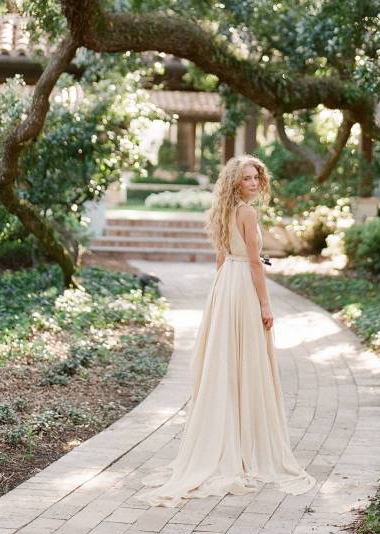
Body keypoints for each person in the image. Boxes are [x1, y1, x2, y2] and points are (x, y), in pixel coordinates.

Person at [134, 155, 316, 508]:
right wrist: (265, 304)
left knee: (229, 362)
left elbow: (221, 258)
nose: (252, 182)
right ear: (235, 182)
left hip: (226, 288)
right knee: (246, 363)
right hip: (243, 288)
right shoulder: (247, 213)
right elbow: (252, 262)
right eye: (246, 178)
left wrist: (218, 297)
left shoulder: (224, 210)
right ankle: (244, 444)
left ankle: (235, 438)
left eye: (255, 177)